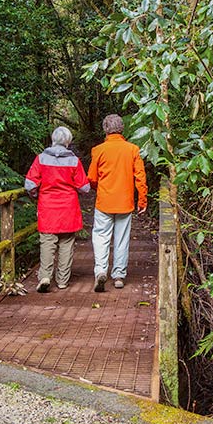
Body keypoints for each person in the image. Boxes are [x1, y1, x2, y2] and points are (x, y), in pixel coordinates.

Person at [24, 126, 90, 292]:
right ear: (68, 142)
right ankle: (62, 280)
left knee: (47, 242)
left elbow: (30, 184)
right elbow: (85, 188)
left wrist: (35, 194)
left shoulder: (40, 159)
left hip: (47, 207)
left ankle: (45, 275)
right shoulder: (74, 161)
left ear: (53, 139)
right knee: (66, 243)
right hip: (69, 207)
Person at [87, 114, 147, 292]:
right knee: (121, 239)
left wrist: (98, 187)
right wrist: (142, 200)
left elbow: (91, 177)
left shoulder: (98, 150)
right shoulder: (133, 149)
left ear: (105, 129)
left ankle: (100, 271)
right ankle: (119, 275)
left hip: (104, 201)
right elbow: (140, 178)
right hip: (125, 202)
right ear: (122, 129)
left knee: (101, 237)